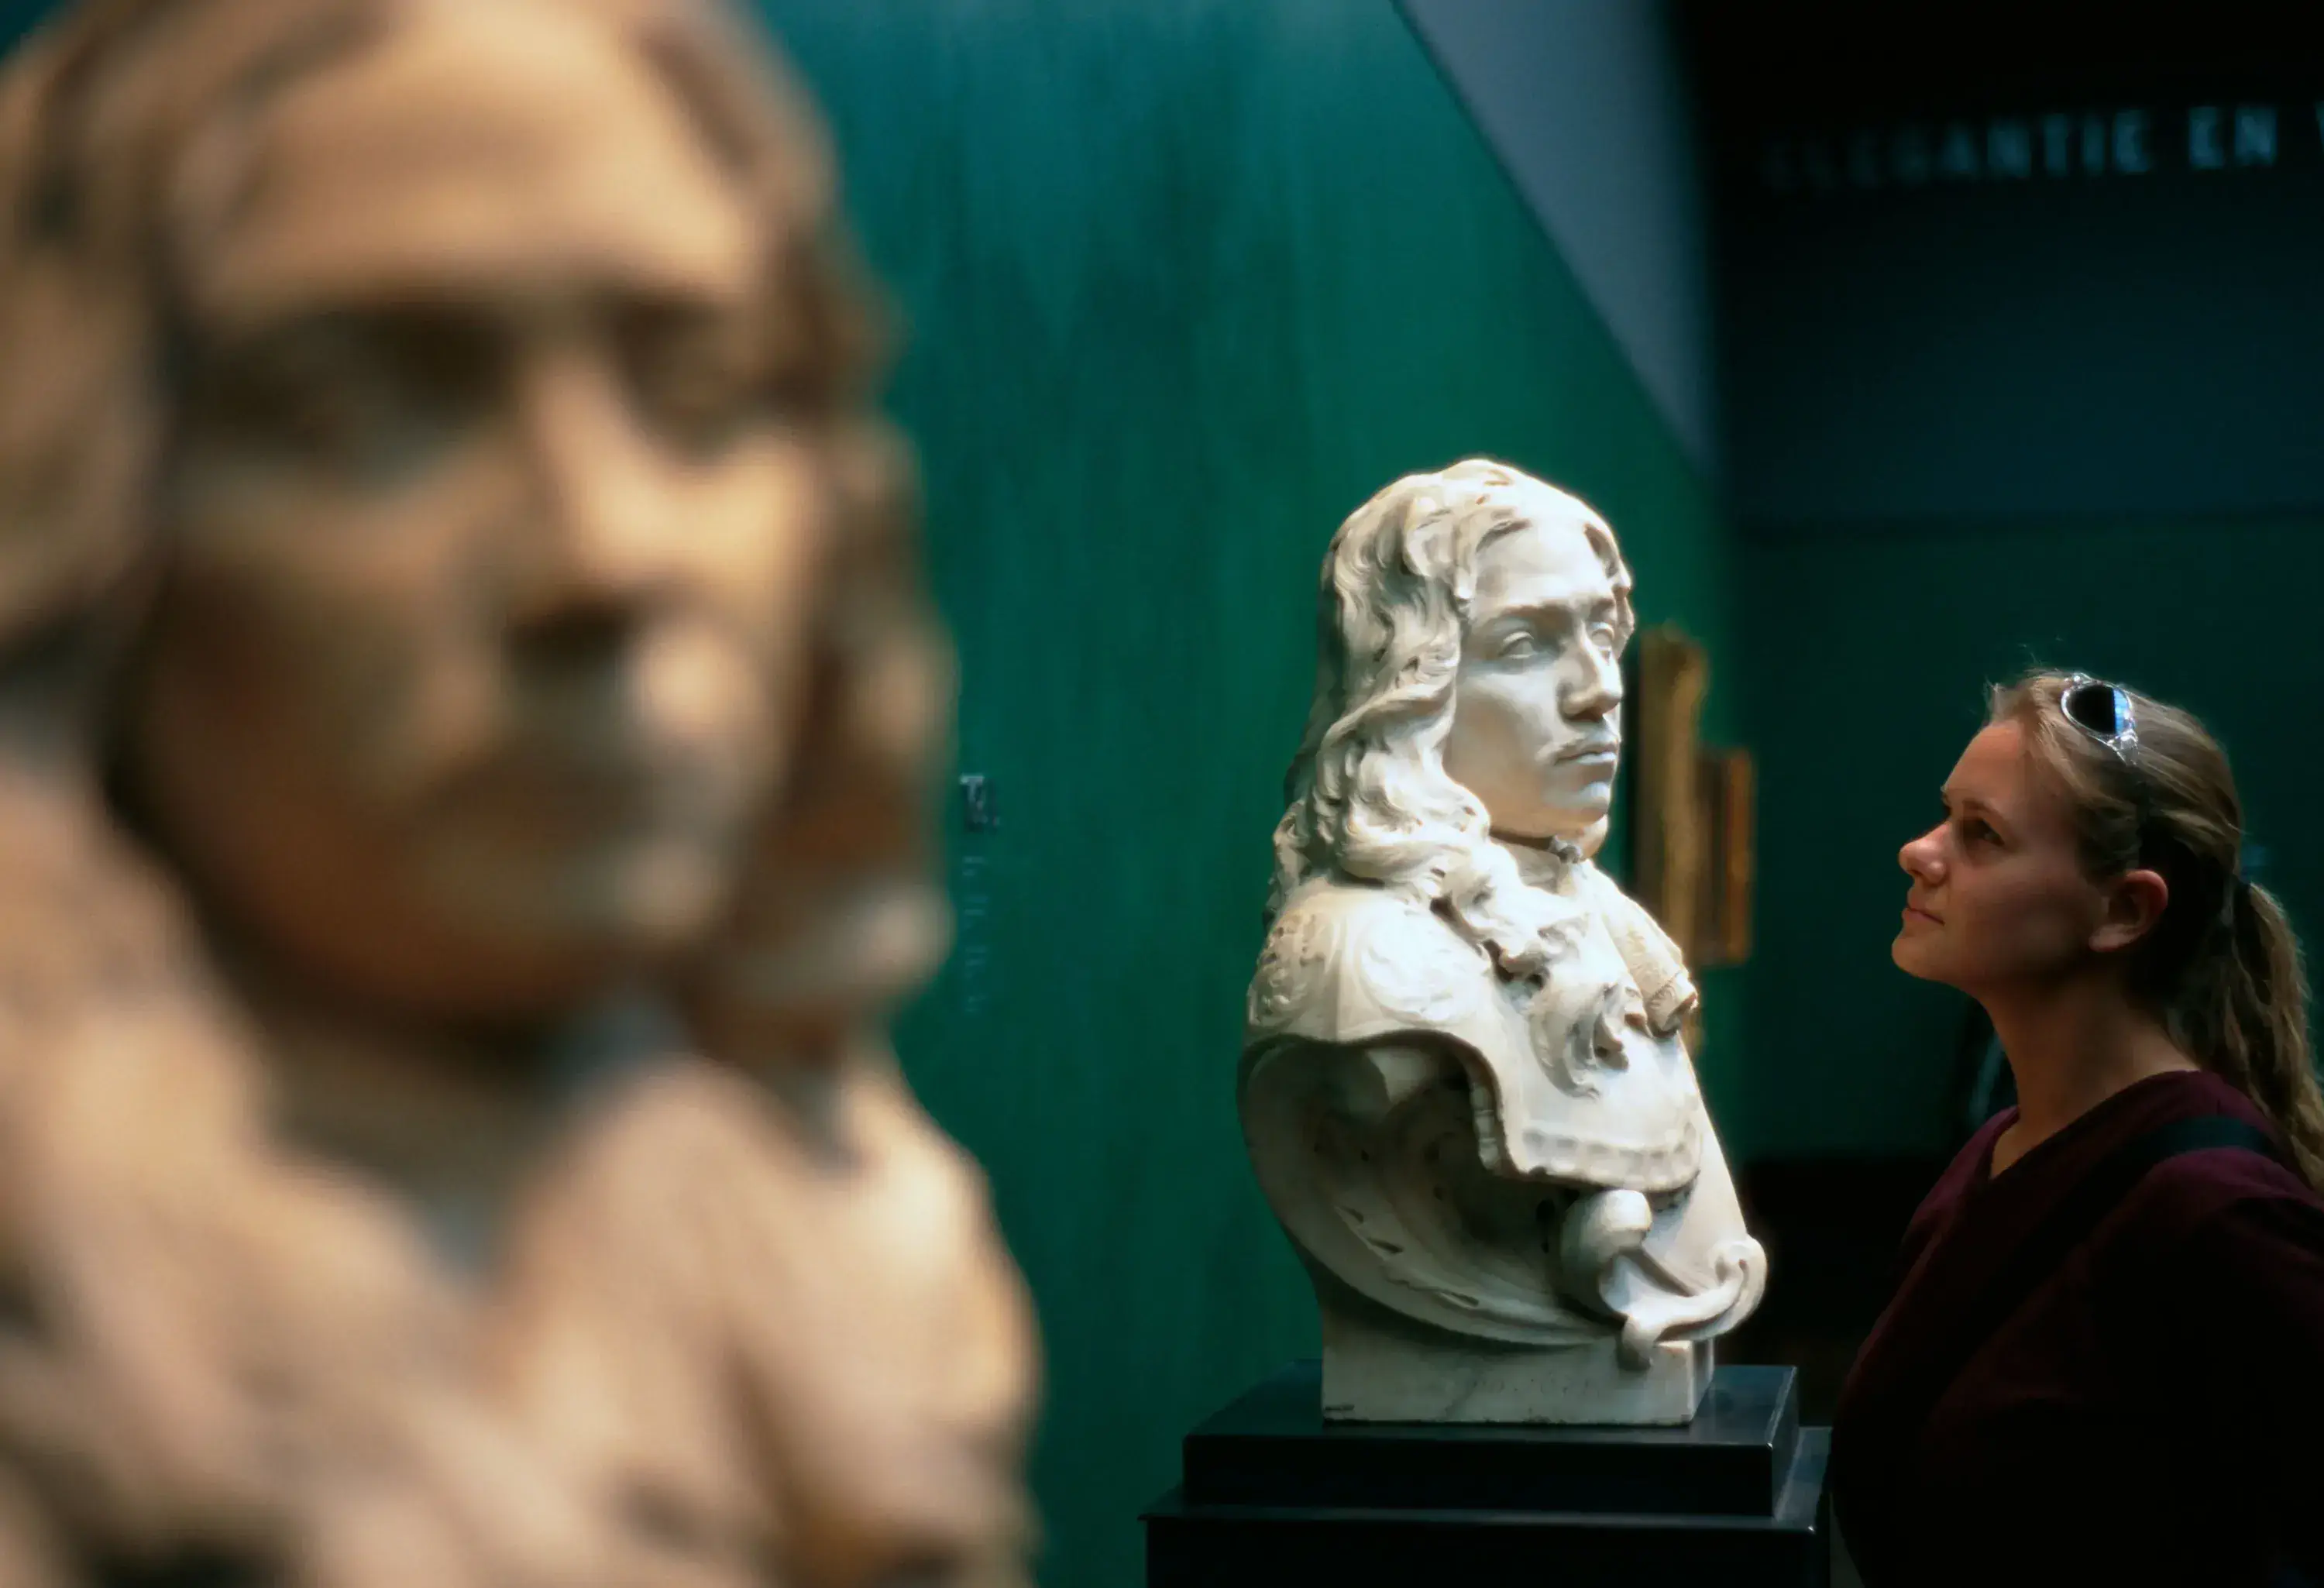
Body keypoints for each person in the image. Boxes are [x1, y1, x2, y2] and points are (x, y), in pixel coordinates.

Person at [0, 2, 1035, 1584]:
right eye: (351, 411)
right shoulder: (65, 1334)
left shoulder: (867, 1269)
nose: (601, 555)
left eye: (699, 392)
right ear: (87, 523)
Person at [1831, 670, 2324, 1587]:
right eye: (1945, 815)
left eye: (1981, 835)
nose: (1918, 850)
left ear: (2123, 909)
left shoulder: (2221, 1214)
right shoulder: (1996, 1154)